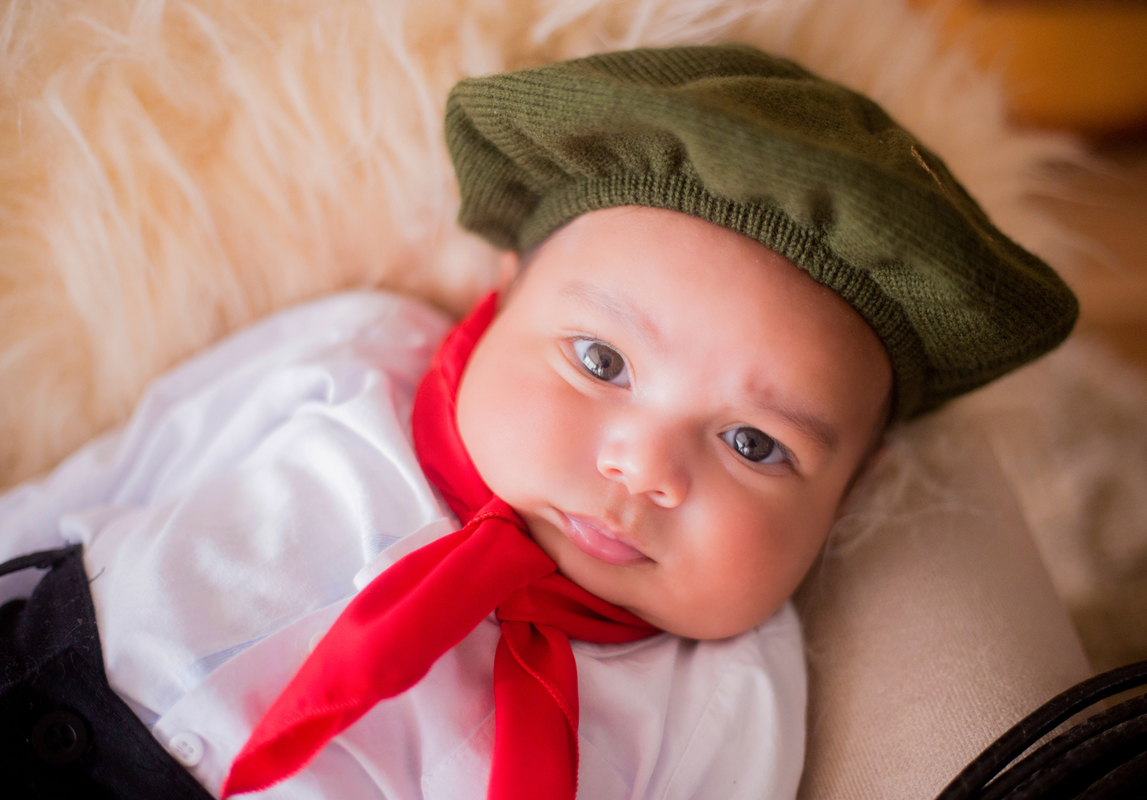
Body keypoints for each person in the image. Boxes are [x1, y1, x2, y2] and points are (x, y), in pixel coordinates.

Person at [0, 45, 1077, 800]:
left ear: (854, 485)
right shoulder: (358, 358)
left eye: (756, 442)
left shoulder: (729, 695)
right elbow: (137, 459)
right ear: (503, 294)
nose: (644, 464)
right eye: (601, 360)